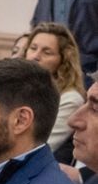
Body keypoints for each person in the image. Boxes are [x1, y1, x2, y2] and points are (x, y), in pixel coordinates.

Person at [25, 22, 86, 157]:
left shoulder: (70, 99)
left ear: (63, 60)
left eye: (47, 52)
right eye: (33, 48)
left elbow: (41, 146)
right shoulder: (15, 88)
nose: (35, 56)